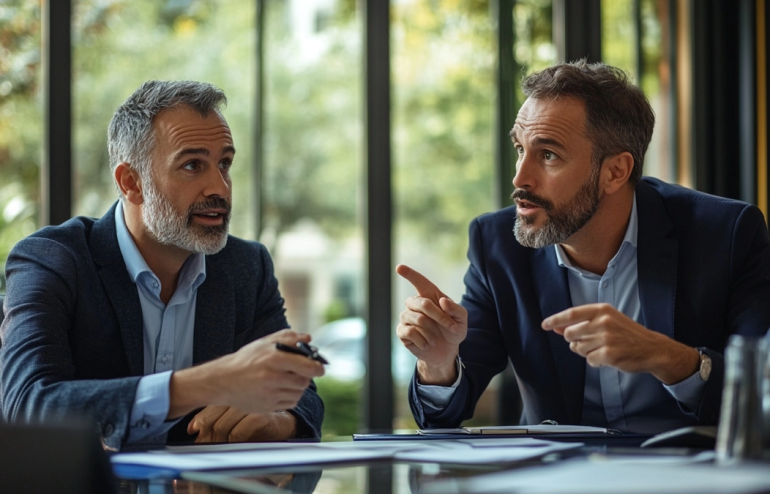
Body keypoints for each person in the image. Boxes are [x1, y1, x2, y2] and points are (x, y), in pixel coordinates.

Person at [397, 60, 770, 435]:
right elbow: (441, 418)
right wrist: (438, 364)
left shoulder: (726, 235)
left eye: (548, 155)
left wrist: (666, 356)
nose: (520, 177)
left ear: (615, 172)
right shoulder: (496, 245)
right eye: (519, 148)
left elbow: (762, 387)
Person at [0, 81, 325, 450]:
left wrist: (277, 421)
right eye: (192, 165)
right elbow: (28, 405)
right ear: (131, 182)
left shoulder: (245, 267)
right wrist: (210, 382)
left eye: (224, 164)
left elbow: (303, 392)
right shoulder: (52, 259)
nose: (219, 187)